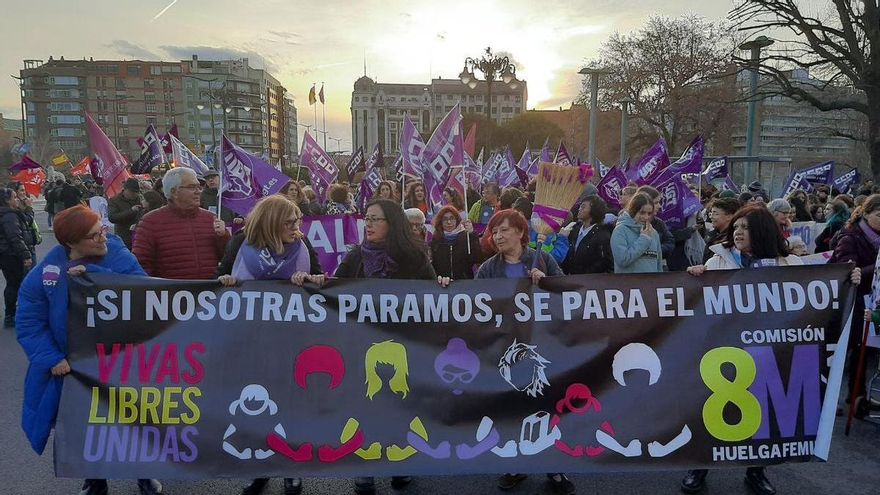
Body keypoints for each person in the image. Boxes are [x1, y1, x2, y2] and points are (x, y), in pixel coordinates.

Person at [683, 204, 861, 495]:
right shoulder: (719, 260)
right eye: (736, 227)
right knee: (711, 410)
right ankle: (698, 467)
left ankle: (756, 471)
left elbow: (819, 294)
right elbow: (695, 300)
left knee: (764, 414)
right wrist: (694, 276)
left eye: (746, 228)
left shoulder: (789, 264)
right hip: (724, 351)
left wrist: (848, 281)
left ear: (763, 232)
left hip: (770, 352)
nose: (738, 233)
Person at [15, 205, 162, 495]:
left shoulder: (119, 256)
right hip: (73, 366)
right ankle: (95, 480)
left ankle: (144, 473)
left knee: (132, 419)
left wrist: (94, 277)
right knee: (85, 424)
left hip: (121, 360)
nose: (102, 238)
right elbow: (29, 322)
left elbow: (146, 296)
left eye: (102, 230)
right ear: (71, 242)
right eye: (94, 235)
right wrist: (51, 358)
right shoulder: (45, 274)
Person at [217, 196, 322, 495]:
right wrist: (226, 280)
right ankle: (259, 468)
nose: (296, 227)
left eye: (298, 221)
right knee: (255, 405)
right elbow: (219, 278)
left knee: (288, 404)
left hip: (291, 339)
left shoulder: (302, 245)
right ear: (272, 222)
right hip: (249, 338)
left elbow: (320, 282)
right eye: (290, 222)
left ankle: (290, 467)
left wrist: (311, 279)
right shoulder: (241, 244)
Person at [334, 198, 435, 494]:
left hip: (404, 346)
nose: (369, 224)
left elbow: (431, 296)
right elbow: (333, 289)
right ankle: (366, 468)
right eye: (367, 218)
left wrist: (442, 283)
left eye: (376, 219)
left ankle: (399, 464)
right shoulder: (356, 257)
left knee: (400, 405)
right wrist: (316, 281)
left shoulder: (414, 257)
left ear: (392, 224)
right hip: (362, 344)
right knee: (367, 403)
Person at [471, 209, 573, 495]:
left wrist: (547, 282)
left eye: (504, 230)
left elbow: (567, 292)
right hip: (506, 348)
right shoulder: (488, 268)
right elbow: (472, 303)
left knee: (546, 406)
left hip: (542, 346)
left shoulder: (542, 259)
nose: (498, 236)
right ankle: (515, 465)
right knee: (512, 408)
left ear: (520, 232)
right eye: (495, 231)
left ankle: (554, 466)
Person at [829, 194, 880, 412]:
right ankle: (829, 397)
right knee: (846, 349)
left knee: (865, 350)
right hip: (852, 300)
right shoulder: (850, 236)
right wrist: (876, 269)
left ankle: (857, 396)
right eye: (879, 215)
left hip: (873, 299)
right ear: (866, 214)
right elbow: (845, 270)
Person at [132, 168, 230, 279]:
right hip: (170, 294)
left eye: (199, 187)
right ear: (174, 192)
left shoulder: (211, 219)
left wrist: (224, 237)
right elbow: (141, 265)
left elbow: (228, 259)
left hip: (209, 293)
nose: (198, 191)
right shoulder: (150, 222)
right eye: (192, 187)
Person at [0, 189, 35, 327]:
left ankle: (11, 314)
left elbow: (27, 220)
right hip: (12, 255)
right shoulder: (9, 216)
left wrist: (27, 208)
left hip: (7, 254)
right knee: (16, 284)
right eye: (14, 197)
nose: (17, 199)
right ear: (7, 200)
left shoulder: (9, 214)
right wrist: (25, 255)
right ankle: (11, 315)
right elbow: (15, 237)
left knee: (13, 284)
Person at [611, 193, 663, 273]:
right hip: (628, 284)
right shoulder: (620, 230)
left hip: (651, 284)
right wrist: (643, 240)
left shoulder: (653, 232)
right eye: (642, 212)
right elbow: (622, 260)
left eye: (649, 213)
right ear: (633, 211)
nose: (646, 217)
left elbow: (659, 265)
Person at [561, 195, 613, 274]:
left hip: (588, 281)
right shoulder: (575, 229)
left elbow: (604, 263)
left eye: (583, 207)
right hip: (569, 279)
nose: (579, 209)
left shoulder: (602, 235)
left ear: (594, 210)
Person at [430, 205, 482, 280]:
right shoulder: (436, 240)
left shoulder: (466, 237)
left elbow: (477, 258)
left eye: (452, 218)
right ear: (440, 222)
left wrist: (472, 235)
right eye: (445, 219)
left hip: (463, 283)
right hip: (442, 284)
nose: (449, 222)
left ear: (457, 220)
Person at [635, 185, 674, 259]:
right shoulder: (628, 225)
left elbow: (670, 242)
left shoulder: (659, 223)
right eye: (656, 202)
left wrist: (656, 250)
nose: (659, 206)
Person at [107, 177, 145, 250]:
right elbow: (112, 218)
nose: (135, 194)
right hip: (123, 236)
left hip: (139, 235)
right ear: (126, 190)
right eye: (133, 192)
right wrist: (131, 210)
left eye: (137, 192)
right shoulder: (114, 200)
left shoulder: (139, 198)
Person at [702, 197, 741, 263]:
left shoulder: (734, 240)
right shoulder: (713, 235)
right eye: (711, 213)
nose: (711, 216)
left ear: (729, 216)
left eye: (715, 213)